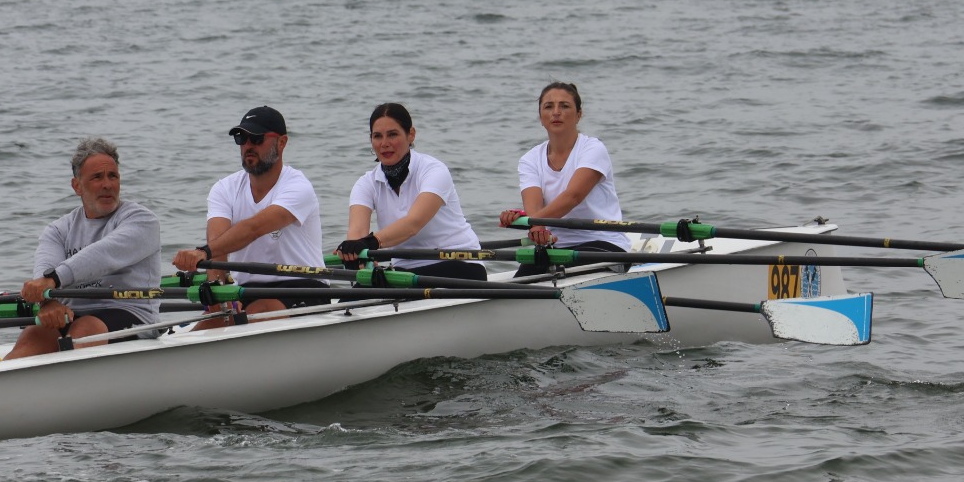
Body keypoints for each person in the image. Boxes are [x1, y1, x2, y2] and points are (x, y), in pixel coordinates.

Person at [170, 106, 329, 327]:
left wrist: (201, 253)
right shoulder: (224, 189)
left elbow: (253, 229)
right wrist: (217, 290)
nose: (248, 146)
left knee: (259, 312)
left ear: (282, 142)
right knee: (213, 322)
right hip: (247, 290)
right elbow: (218, 246)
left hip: (302, 285)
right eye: (241, 138)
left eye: (256, 138)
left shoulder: (298, 187)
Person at [6, 137, 162, 359]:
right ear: (76, 186)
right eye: (97, 177)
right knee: (35, 333)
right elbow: (45, 269)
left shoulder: (142, 221)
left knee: (85, 329)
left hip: (131, 313)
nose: (107, 184)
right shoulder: (58, 230)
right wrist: (47, 301)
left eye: (113, 176)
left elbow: (103, 255)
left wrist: (53, 281)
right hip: (71, 313)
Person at [336, 102, 487, 281]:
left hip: (459, 263)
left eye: (392, 134)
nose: (384, 143)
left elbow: (413, 224)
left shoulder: (433, 170)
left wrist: (370, 243)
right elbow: (357, 231)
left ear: (411, 135)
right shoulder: (365, 184)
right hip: (404, 271)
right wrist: (354, 253)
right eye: (377, 136)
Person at [496, 81, 633, 277]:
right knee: (520, 281)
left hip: (604, 243)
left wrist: (535, 222)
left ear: (578, 115)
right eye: (548, 107)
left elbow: (573, 196)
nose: (556, 112)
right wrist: (532, 221)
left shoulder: (593, 149)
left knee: (555, 274)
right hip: (555, 246)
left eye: (564, 106)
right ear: (541, 117)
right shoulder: (530, 159)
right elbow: (535, 209)